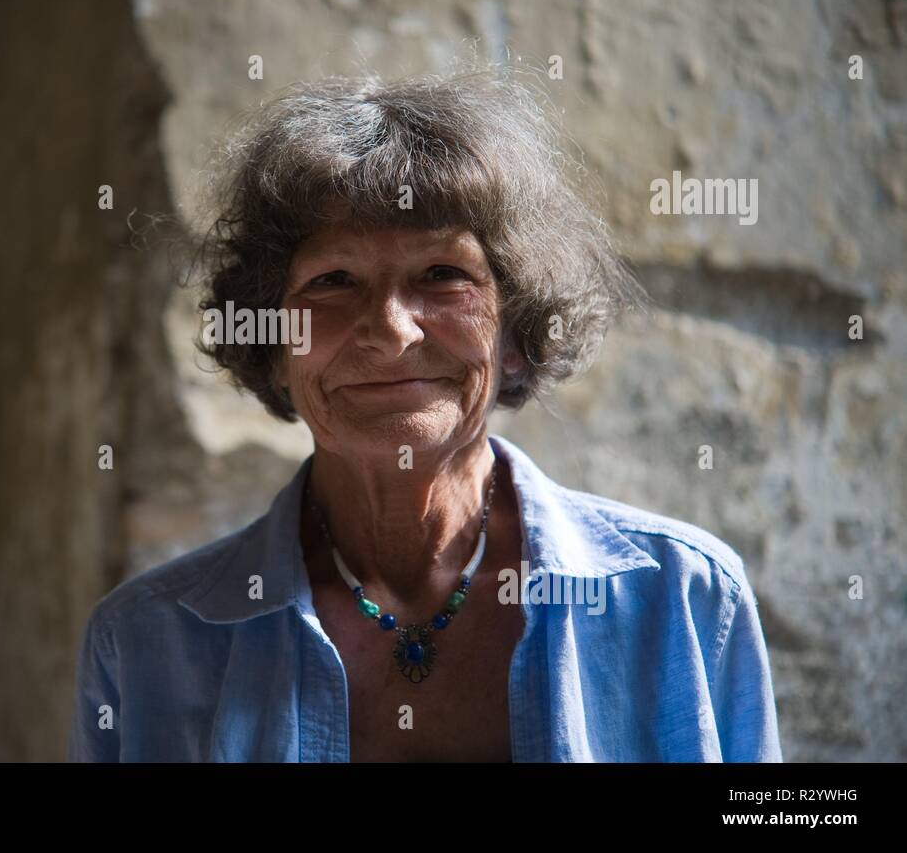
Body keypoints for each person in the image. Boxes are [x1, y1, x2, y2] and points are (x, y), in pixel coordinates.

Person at [67, 68, 783, 762]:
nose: (392, 329)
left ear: (515, 334)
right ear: (274, 347)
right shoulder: (148, 644)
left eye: (442, 274)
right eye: (334, 280)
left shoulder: (680, 599)